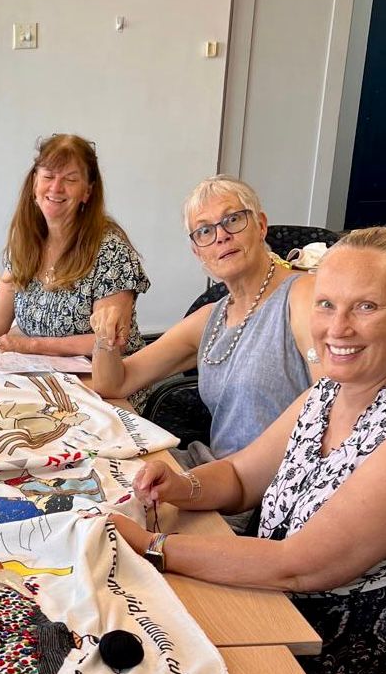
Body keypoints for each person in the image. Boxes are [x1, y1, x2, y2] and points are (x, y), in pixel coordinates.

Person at [110, 228, 386, 674]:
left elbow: (299, 565)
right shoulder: (330, 389)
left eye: (365, 307)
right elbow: (241, 476)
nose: (338, 327)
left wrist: (153, 547)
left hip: (361, 657)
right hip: (277, 604)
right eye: (326, 304)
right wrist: (182, 485)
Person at [90, 175, 318, 461]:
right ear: (197, 251)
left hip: (277, 479)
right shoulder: (211, 317)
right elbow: (113, 384)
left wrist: (221, 479)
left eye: (233, 219)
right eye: (205, 230)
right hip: (219, 470)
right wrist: (104, 336)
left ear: (261, 225)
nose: (221, 236)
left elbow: (332, 405)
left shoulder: (304, 295)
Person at [0, 133, 148, 360]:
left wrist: (31, 345)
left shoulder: (111, 250)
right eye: (48, 176)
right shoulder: (28, 240)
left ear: (87, 191)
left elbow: (109, 340)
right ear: (35, 182)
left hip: (104, 381)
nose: (56, 187)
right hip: (43, 370)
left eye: (70, 179)